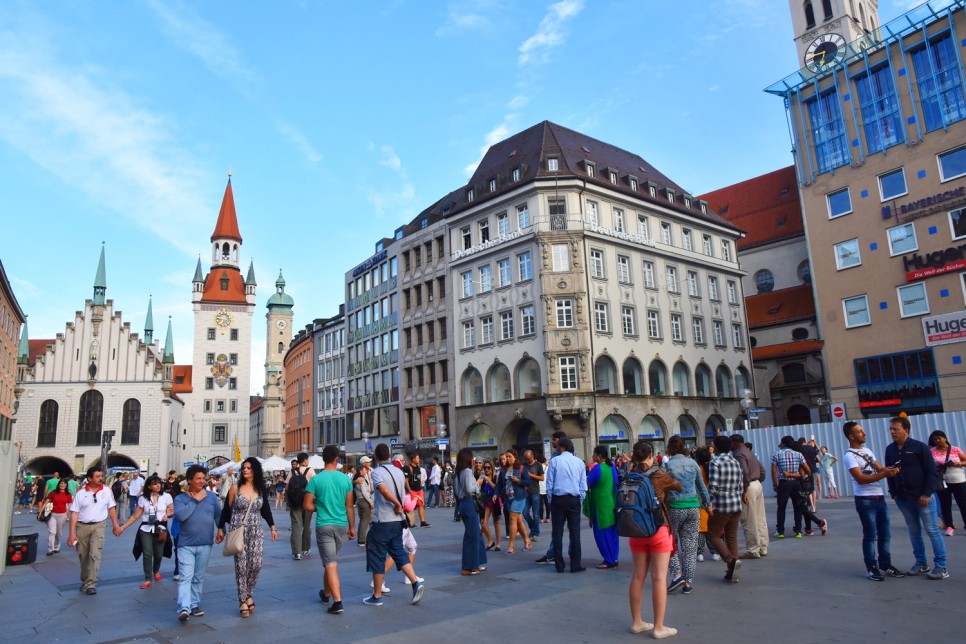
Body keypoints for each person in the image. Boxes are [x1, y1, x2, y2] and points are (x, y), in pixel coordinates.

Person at [626, 440, 681, 639]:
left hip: (636, 531)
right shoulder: (659, 475)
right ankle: (659, 627)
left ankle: (637, 622)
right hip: (658, 529)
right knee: (658, 577)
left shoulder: (629, 476)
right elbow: (679, 486)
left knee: (638, 576)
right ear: (651, 456)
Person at [885, 416, 948, 579]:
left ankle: (941, 566)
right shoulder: (890, 450)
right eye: (891, 429)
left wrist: (927, 493)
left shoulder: (920, 447)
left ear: (906, 430)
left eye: (895, 429)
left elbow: (931, 472)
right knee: (914, 531)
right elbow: (889, 473)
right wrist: (894, 493)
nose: (892, 432)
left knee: (932, 530)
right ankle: (921, 563)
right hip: (904, 499)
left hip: (923, 497)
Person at [842, 421, 904, 581]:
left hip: (879, 497)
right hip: (865, 500)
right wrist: (884, 474)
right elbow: (860, 478)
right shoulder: (849, 456)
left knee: (885, 534)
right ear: (851, 436)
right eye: (860, 432)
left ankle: (885, 564)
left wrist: (890, 470)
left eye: (862, 431)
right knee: (870, 535)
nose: (864, 433)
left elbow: (879, 468)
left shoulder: (868, 451)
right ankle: (871, 567)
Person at [364, 443, 425, 607]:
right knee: (398, 552)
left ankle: (376, 596)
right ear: (390, 456)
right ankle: (415, 583)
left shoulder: (376, 472)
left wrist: (396, 503)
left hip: (382, 521)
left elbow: (383, 490)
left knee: (377, 555)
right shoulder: (399, 471)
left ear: (376, 457)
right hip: (398, 522)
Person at [218, 457, 277, 617]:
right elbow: (226, 511)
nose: (245, 470)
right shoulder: (235, 489)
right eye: (244, 467)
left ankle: (247, 593)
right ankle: (243, 601)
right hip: (238, 530)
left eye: (249, 468)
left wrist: (272, 525)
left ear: (255, 470)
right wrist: (221, 528)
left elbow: (265, 510)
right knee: (241, 567)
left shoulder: (260, 489)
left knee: (257, 563)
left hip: (256, 531)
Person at [304, 445, 354, 615]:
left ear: (324, 459)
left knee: (330, 564)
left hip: (324, 525)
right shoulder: (346, 479)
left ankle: (337, 601)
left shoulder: (316, 480)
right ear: (336, 459)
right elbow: (349, 506)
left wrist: (320, 507)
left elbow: (306, 505)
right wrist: (352, 527)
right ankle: (326, 594)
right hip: (342, 525)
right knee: (329, 561)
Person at [174, 465, 222, 622]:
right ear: (189, 480)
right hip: (185, 544)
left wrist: (221, 529)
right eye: (198, 478)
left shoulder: (211, 497)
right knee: (186, 576)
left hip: (205, 542)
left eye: (203, 478)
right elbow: (181, 516)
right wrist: (195, 500)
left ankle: (194, 604)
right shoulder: (180, 499)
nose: (202, 481)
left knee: (199, 577)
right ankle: (184, 607)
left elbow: (217, 516)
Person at [663, 436, 710, 593]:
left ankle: (677, 574)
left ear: (669, 448)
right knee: (690, 546)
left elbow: (662, 487)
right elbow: (702, 488)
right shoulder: (693, 463)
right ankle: (688, 583)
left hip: (675, 508)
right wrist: (706, 503)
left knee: (670, 542)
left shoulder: (667, 466)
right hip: (693, 507)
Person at [67, 465, 121, 595]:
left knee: (95, 554)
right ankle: (85, 580)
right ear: (89, 479)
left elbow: (112, 508)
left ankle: (91, 583)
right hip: (82, 526)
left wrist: (115, 525)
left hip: (99, 525)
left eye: (101, 476)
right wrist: (71, 534)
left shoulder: (107, 491)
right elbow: (74, 514)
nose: (100, 479)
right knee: (83, 555)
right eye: (97, 477)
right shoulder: (81, 493)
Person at [116, 474, 174, 589]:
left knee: (158, 554)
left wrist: (167, 514)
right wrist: (121, 528)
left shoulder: (166, 496)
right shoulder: (143, 498)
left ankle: (156, 570)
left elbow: (171, 509)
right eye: (154, 484)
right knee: (147, 554)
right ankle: (148, 579)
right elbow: (134, 516)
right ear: (148, 486)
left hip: (160, 529)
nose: (158, 486)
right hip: (146, 528)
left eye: (159, 483)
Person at [545, 437, 587, 573]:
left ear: (562, 447)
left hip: (558, 499)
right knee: (575, 533)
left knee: (557, 533)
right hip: (574, 499)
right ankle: (575, 565)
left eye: (558, 446)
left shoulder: (555, 461)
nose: (556, 448)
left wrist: (551, 501)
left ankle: (559, 565)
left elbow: (549, 484)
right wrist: (579, 501)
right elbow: (583, 486)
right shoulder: (580, 462)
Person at [707, 435, 745, 584]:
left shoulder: (715, 462)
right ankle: (732, 572)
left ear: (716, 447)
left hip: (722, 505)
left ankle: (731, 562)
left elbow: (713, 486)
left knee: (713, 534)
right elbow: (741, 486)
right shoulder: (735, 462)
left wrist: (708, 501)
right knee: (731, 537)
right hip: (736, 504)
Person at [730, 434, 768, 559]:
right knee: (759, 518)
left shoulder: (738, 454)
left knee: (749, 519)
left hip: (748, 486)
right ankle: (763, 546)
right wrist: (757, 480)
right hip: (757, 484)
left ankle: (753, 549)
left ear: (735, 443)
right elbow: (762, 470)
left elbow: (744, 473)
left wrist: (744, 490)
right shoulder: (749, 452)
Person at [586, 445, 620, 570]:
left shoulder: (597, 469)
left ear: (599, 456)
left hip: (600, 505)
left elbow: (588, 483)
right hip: (611, 503)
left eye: (594, 454)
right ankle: (614, 558)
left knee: (602, 534)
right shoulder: (612, 467)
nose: (592, 456)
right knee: (612, 533)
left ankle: (608, 560)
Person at [453, 448, 487, 575]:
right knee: (472, 535)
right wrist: (477, 484)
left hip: (462, 503)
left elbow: (457, 491)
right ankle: (468, 567)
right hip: (469, 503)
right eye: (472, 458)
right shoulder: (467, 471)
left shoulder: (458, 472)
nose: (473, 460)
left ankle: (478, 561)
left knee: (475, 533)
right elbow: (469, 488)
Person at [928, 430, 966, 536]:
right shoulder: (932, 451)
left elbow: (965, 461)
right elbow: (929, 465)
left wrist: (958, 463)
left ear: (945, 438)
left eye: (939, 438)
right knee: (945, 504)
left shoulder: (955, 449)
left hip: (958, 480)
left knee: (963, 503)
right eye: (935, 439)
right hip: (942, 481)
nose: (937, 441)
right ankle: (949, 526)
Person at [771, 435, 808, 538]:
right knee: (797, 507)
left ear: (784, 443)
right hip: (796, 483)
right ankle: (798, 531)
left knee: (781, 507)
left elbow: (774, 470)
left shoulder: (777, 454)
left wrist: (775, 484)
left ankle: (780, 531)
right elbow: (806, 469)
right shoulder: (798, 454)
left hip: (784, 483)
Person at [498, 449, 532, 554]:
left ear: (515, 457)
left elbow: (528, 482)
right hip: (508, 498)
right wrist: (495, 494)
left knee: (512, 519)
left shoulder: (521, 468)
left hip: (519, 497)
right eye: (506, 457)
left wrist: (519, 481)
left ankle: (511, 546)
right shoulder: (503, 470)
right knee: (518, 521)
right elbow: (499, 484)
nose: (507, 459)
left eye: (509, 456)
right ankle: (527, 540)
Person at [287, 453, 315, 560]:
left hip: (295, 502)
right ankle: (306, 548)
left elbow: (287, 487)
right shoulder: (310, 471)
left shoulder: (292, 471)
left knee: (296, 526)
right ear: (305, 460)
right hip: (307, 502)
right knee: (306, 525)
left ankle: (296, 552)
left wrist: (289, 500)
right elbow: (315, 485)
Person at [40, 477, 73, 555]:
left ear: (66, 485)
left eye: (64, 484)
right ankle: (50, 549)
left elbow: (69, 505)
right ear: (59, 484)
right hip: (52, 515)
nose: (62, 485)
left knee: (59, 533)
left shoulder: (68, 494)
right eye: (61, 483)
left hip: (62, 515)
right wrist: (40, 511)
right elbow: (46, 502)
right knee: (52, 532)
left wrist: (67, 514)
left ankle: (57, 547)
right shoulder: (53, 492)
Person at [522, 450, 544, 541]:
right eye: (526, 459)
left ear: (532, 456)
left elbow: (542, 478)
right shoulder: (524, 465)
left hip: (535, 491)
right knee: (525, 512)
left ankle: (536, 533)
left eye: (528, 458)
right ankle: (533, 527)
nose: (527, 460)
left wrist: (531, 475)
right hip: (526, 492)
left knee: (536, 515)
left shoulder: (538, 465)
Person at [403, 454, 430, 527]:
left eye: (419, 458)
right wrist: (410, 490)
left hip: (419, 489)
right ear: (413, 459)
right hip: (412, 490)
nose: (419, 459)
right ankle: (411, 522)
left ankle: (423, 521)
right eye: (417, 458)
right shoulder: (408, 468)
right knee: (411, 507)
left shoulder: (418, 467)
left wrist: (421, 486)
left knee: (421, 505)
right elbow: (406, 481)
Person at [480, 459, 501, 551]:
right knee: (484, 523)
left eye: (488, 467)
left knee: (496, 522)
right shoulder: (483, 478)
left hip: (495, 501)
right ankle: (491, 541)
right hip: (487, 502)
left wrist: (488, 479)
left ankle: (498, 544)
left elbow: (496, 488)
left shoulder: (495, 476)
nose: (487, 469)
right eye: (485, 468)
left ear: (492, 468)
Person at [354, 456, 375, 547]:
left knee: (366, 519)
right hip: (365, 499)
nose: (370, 463)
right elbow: (364, 492)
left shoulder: (371, 471)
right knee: (365, 520)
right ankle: (362, 539)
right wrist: (371, 502)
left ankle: (363, 538)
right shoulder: (361, 479)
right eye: (367, 462)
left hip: (366, 497)